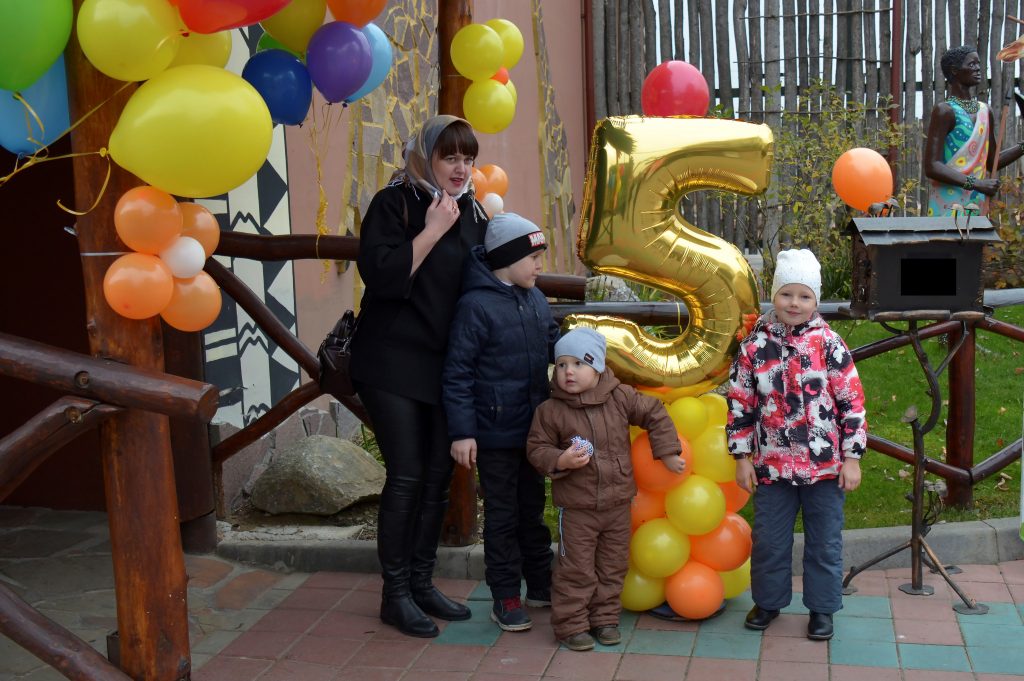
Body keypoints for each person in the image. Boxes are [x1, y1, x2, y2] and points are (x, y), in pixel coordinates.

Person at [350, 115, 488, 638]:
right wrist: (432, 230)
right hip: (389, 359)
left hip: (440, 363)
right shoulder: (397, 203)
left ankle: (422, 583)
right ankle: (395, 594)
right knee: (407, 473)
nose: (460, 167)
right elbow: (383, 278)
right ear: (426, 155)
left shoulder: (473, 210)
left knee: (436, 476)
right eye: (449, 156)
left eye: (468, 157)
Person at [726, 248, 867, 642]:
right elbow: (740, 403)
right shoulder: (754, 348)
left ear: (816, 301)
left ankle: (822, 609)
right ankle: (768, 601)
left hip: (824, 469)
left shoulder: (830, 345)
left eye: (804, 296)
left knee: (824, 542)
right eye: (787, 294)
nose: (794, 303)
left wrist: (852, 458)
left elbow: (851, 403)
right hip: (771, 467)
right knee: (769, 540)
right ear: (774, 295)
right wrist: (741, 457)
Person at [527, 328, 685, 651]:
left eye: (578, 364)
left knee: (613, 566)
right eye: (561, 365)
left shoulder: (620, 396)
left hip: (617, 505)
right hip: (578, 509)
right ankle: (571, 625)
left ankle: (605, 619)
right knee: (576, 568)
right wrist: (561, 459)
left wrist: (666, 451)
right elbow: (536, 448)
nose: (568, 372)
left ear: (597, 366)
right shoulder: (551, 411)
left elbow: (654, 412)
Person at [442, 212, 561, 633]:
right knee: (503, 516)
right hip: (493, 435)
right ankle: (505, 594)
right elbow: (458, 372)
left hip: (533, 432)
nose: (539, 266)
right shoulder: (476, 306)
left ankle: (541, 583)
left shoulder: (535, 299)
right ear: (507, 259)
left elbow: (552, 345)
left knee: (533, 510)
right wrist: (462, 431)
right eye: (533, 258)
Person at [924, 45, 1024, 216]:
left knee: (975, 241)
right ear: (954, 71)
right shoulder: (944, 111)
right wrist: (976, 183)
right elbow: (932, 166)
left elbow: (992, 161)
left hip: (976, 202)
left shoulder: (985, 111)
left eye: (978, 64)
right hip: (947, 204)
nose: (978, 68)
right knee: (946, 242)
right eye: (971, 65)